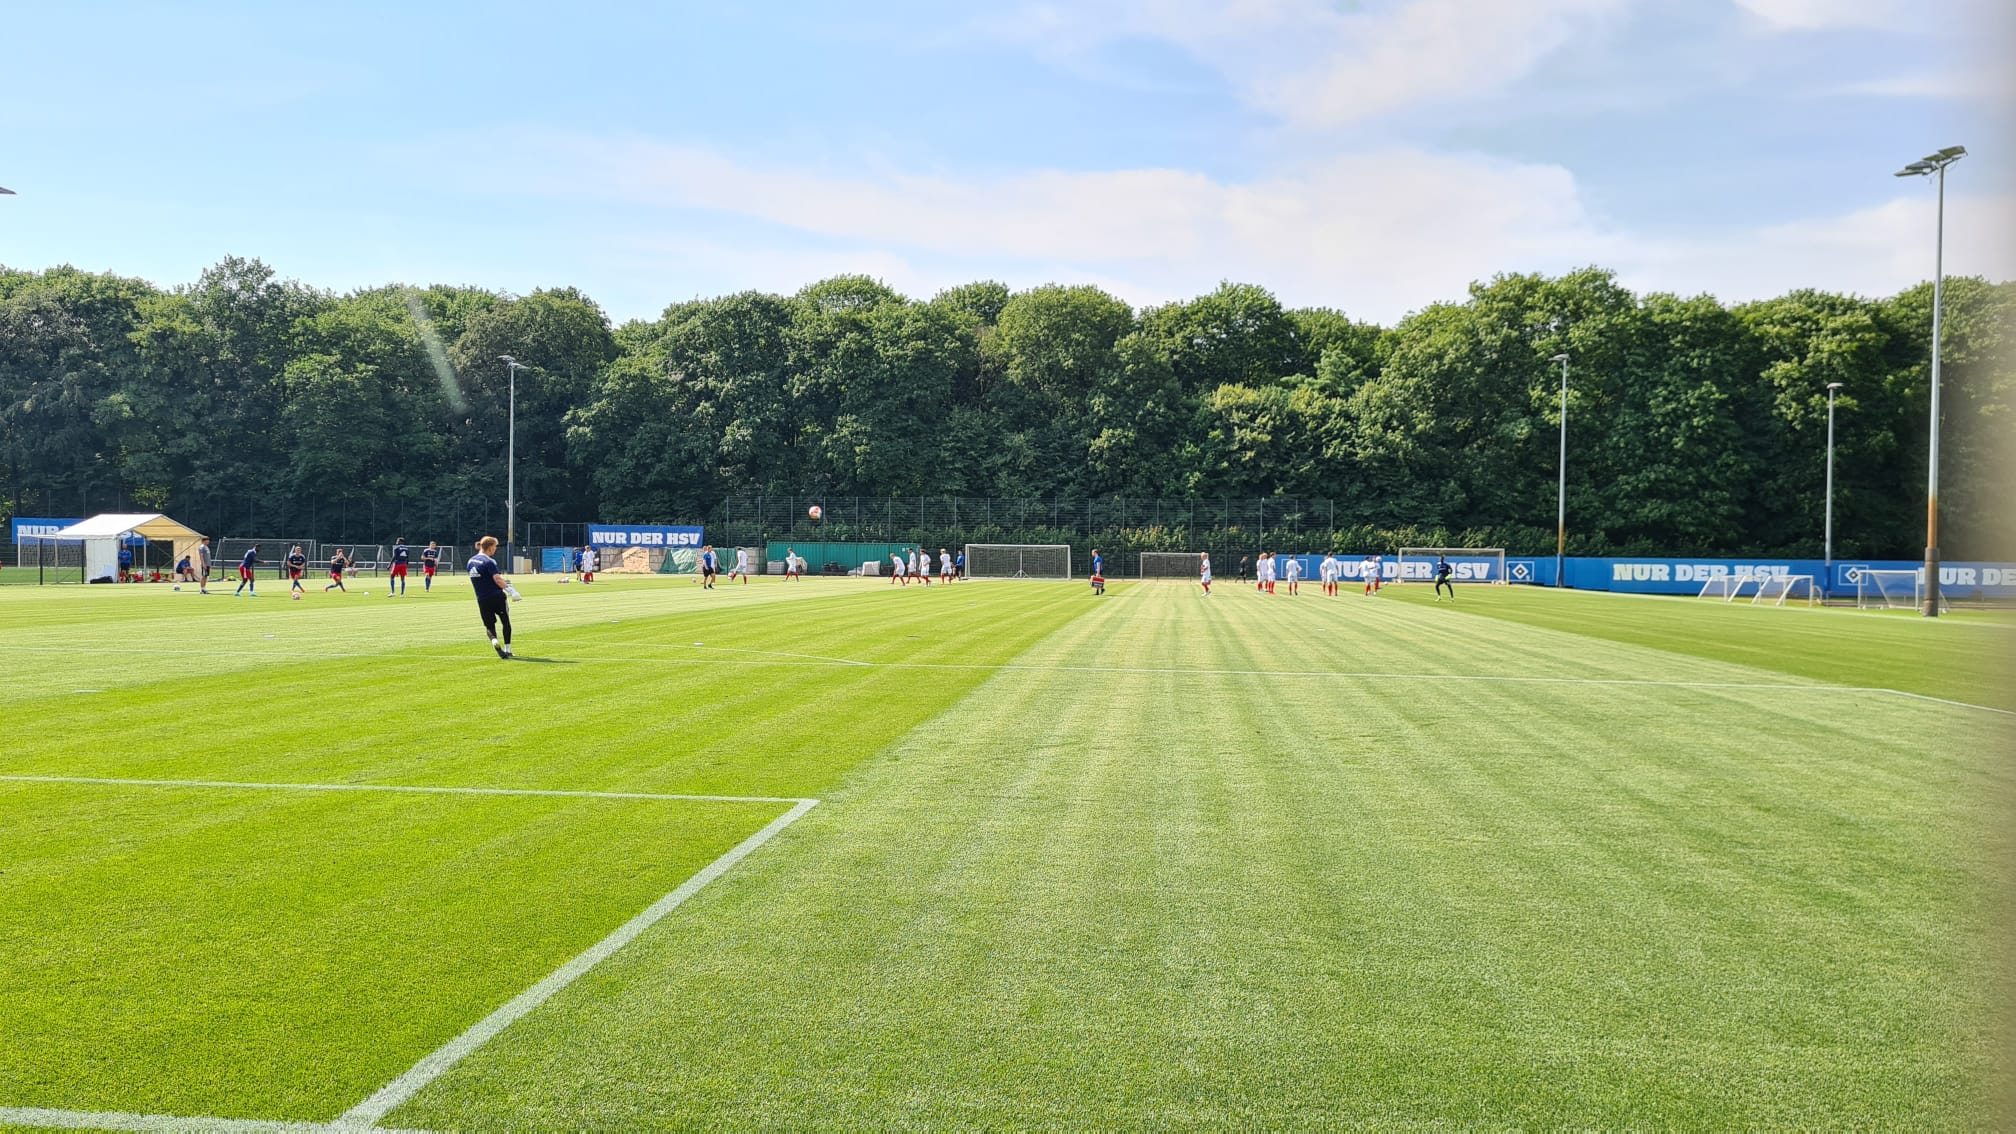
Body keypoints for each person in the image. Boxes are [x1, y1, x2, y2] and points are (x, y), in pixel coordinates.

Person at [468, 535, 515, 659]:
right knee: (505, 622)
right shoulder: (489, 561)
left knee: (489, 626)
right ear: (489, 548)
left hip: (482, 599)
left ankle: (494, 640)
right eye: (495, 547)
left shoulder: (470, 561)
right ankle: (508, 649)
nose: (495, 549)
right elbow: (497, 579)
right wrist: (511, 591)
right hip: (497, 596)